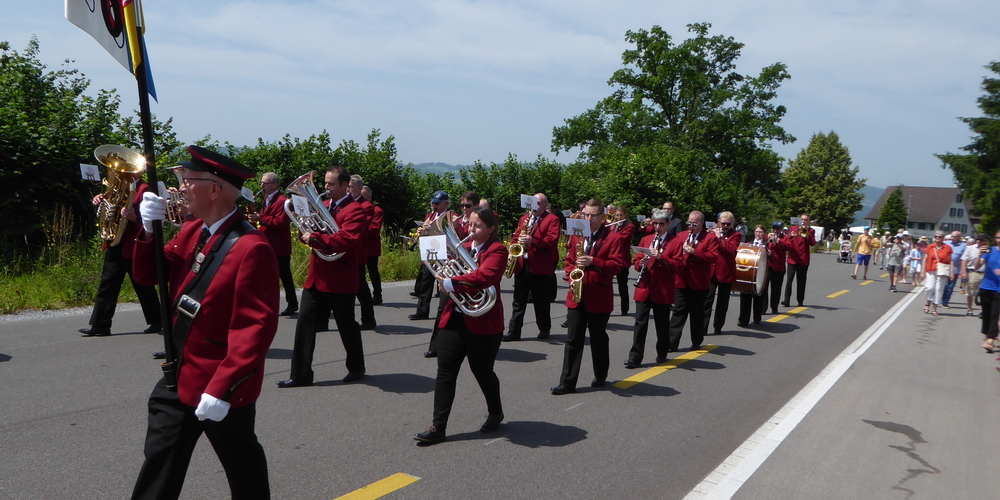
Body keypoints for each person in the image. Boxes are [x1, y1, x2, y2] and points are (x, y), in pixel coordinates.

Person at [130, 145, 278, 499]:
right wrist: (148, 230)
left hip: (218, 382)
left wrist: (222, 389)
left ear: (215, 189)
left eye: (187, 180)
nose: (180, 187)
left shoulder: (251, 248)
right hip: (178, 373)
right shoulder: (193, 230)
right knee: (160, 462)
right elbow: (149, 272)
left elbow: (254, 328)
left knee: (242, 466)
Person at [413, 207, 508, 445]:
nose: (471, 230)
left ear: (490, 229)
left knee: (482, 371)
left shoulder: (498, 250)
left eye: (477, 226)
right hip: (454, 318)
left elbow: (485, 277)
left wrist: (451, 283)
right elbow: (439, 265)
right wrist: (428, 241)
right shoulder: (462, 249)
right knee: (445, 374)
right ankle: (438, 427)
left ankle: (496, 412)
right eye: (470, 224)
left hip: (483, 321)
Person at [277, 166, 368, 388]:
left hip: (340, 276)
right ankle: (300, 375)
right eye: (325, 183)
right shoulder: (323, 206)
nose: (325, 188)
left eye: (331, 184)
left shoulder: (355, 210)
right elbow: (305, 233)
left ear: (345, 186)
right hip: (317, 276)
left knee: (347, 325)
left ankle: (356, 367)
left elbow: (346, 239)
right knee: (304, 325)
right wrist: (303, 225)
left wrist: (316, 238)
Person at [551, 199, 627, 395]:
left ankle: (600, 374)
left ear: (602, 217)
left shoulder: (613, 238)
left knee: (598, 338)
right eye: (586, 215)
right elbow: (568, 260)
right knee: (573, 340)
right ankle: (567, 382)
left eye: (593, 215)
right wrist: (570, 276)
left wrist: (595, 260)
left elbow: (617, 266)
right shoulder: (577, 235)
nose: (589, 219)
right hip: (577, 295)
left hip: (599, 295)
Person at [78, 169, 161, 337]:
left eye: (132, 170)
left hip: (133, 245)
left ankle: (158, 320)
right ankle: (100, 325)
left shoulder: (145, 189)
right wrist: (100, 201)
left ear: (140, 171)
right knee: (107, 284)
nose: (127, 172)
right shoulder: (116, 187)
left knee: (142, 284)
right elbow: (109, 211)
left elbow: (153, 222)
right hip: (115, 241)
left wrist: (134, 217)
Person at [426, 192, 480, 357]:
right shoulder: (457, 220)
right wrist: (428, 232)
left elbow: (473, 242)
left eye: (468, 206)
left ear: (476, 206)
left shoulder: (478, 221)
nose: (464, 209)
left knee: (469, 308)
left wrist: (458, 229)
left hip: (470, 269)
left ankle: (472, 344)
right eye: (462, 205)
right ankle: (436, 346)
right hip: (452, 267)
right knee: (443, 308)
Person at [503, 193, 561, 341]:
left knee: (541, 300)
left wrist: (533, 239)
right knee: (518, 300)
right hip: (523, 263)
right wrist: (512, 249)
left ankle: (544, 329)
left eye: (539, 203)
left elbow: (552, 241)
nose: (536, 206)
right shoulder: (524, 218)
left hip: (540, 265)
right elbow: (516, 236)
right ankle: (514, 331)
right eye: (534, 203)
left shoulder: (552, 219)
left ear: (545, 204)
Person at [624, 209, 676, 368]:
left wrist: (660, 257)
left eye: (661, 224)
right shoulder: (646, 239)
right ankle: (635, 357)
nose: (658, 227)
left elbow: (678, 266)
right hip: (644, 287)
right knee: (640, 324)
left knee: (662, 325)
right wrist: (641, 263)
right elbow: (637, 262)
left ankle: (662, 352)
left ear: (668, 224)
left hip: (662, 290)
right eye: (655, 224)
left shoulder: (675, 243)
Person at [665, 211, 720, 351]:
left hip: (699, 282)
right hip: (682, 279)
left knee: (697, 314)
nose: (691, 226)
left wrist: (694, 252)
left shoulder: (710, 237)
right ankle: (671, 343)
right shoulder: (682, 235)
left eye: (694, 224)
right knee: (678, 312)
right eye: (689, 223)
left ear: (701, 223)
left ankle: (696, 341)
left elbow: (713, 257)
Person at [249, 172, 298, 316]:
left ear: (275, 184)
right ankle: (271, 303)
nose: (262, 185)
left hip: (279, 246)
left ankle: (292, 303)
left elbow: (281, 223)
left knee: (284, 276)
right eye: (262, 183)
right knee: (269, 276)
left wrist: (261, 217)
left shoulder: (283, 201)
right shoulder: (266, 198)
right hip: (269, 243)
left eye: (266, 183)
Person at [410, 191, 450, 320]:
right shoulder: (430, 215)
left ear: (445, 203)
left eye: (437, 203)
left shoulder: (450, 216)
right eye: (433, 203)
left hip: (444, 253)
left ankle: (444, 311)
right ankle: (422, 311)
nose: (434, 205)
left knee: (444, 283)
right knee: (425, 282)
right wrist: (422, 230)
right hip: (430, 252)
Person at [704, 211, 741, 334]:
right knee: (707, 300)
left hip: (726, 271)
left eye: (728, 224)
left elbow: (730, 250)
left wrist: (720, 237)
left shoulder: (736, 235)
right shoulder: (712, 232)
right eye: (723, 223)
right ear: (718, 223)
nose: (725, 226)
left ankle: (718, 326)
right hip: (711, 271)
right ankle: (703, 328)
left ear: (732, 224)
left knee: (722, 301)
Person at [349, 175, 377, 330]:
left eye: (351, 187)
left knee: (360, 287)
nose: (348, 190)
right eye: (347, 187)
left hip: (357, 251)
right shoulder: (346, 203)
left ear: (360, 188)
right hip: (344, 249)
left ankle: (368, 319)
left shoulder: (366, 206)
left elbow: (361, 228)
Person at [973, 231, 1000, 353]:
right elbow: (977, 266)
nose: (999, 240)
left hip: (998, 289)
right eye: (998, 237)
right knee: (986, 314)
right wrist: (980, 254)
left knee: (995, 314)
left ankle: (990, 339)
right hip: (986, 287)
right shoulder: (990, 250)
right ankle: (987, 337)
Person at [782, 213, 816, 307]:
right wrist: (790, 236)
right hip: (793, 258)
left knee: (801, 281)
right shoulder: (793, 229)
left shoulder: (811, 230)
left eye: (805, 220)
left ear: (809, 221)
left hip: (803, 259)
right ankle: (786, 300)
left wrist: (808, 234)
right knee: (789, 279)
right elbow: (787, 241)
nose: (803, 221)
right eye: (802, 219)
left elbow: (812, 243)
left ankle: (800, 300)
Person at [737, 225, 768, 326]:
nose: (758, 234)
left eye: (760, 232)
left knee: (758, 296)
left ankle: (757, 318)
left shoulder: (767, 245)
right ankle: (743, 320)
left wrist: (770, 254)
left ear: (764, 234)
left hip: (761, 274)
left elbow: (774, 259)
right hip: (748, 272)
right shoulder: (749, 244)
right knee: (745, 295)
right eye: (757, 232)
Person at [609, 204, 636, 316]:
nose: (619, 217)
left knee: (622, 285)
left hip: (623, 259)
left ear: (625, 215)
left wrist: (612, 232)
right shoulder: (612, 226)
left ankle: (624, 309)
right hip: (610, 258)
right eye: (617, 215)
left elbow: (622, 238)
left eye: (621, 215)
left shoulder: (630, 226)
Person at [921, 230, 953, 316]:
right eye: (936, 237)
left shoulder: (947, 248)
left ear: (943, 238)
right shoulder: (930, 247)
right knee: (929, 287)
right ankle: (928, 302)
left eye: (939, 237)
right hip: (931, 270)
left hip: (942, 271)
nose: (937, 238)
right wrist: (922, 271)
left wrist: (952, 272)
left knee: (939, 289)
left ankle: (934, 308)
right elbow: (925, 259)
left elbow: (950, 261)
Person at [361, 186, 384, 305]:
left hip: (371, 246)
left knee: (372, 271)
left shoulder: (377, 210)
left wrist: (359, 230)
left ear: (369, 197)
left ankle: (377, 294)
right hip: (360, 246)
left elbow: (375, 228)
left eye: (363, 195)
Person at [961, 234, 987, 316]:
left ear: (985, 241)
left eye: (981, 240)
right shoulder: (970, 248)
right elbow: (964, 260)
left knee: (985, 293)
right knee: (970, 292)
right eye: (978, 239)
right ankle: (969, 309)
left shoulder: (990, 249)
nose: (979, 241)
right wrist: (964, 272)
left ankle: (983, 310)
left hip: (985, 273)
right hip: (973, 272)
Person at [766, 222, 788, 314]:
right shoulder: (767, 236)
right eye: (774, 228)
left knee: (776, 289)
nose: (775, 230)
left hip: (779, 267)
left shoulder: (784, 238)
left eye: (777, 228)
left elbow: (789, 247)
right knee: (763, 289)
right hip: (767, 266)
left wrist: (779, 241)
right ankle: (763, 308)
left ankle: (774, 307)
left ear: (781, 229)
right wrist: (767, 239)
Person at [941, 230, 966, 308]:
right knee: (942, 285)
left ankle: (945, 301)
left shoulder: (963, 246)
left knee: (950, 286)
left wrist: (963, 270)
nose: (953, 238)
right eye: (952, 236)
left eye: (955, 236)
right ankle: (938, 299)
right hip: (945, 267)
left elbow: (964, 259)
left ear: (959, 237)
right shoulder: (946, 244)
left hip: (955, 269)